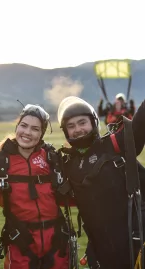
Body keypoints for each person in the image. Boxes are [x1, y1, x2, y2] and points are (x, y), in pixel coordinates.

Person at [0, 104, 70, 269]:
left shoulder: (51, 158)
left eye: (35, 129)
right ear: (17, 126)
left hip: (56, 242)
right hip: (21, 242)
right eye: (24, 126)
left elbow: (72, 196)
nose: (27, 132)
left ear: (41, 134)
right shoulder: (0, 163)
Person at [57, 96, 145, 269]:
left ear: (93, 122)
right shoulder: (66, 163)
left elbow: (139, 125)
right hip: (101, 253)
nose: (78, 129)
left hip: (136, 244)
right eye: (71, 126)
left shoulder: (114, 144)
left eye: (82, 122)